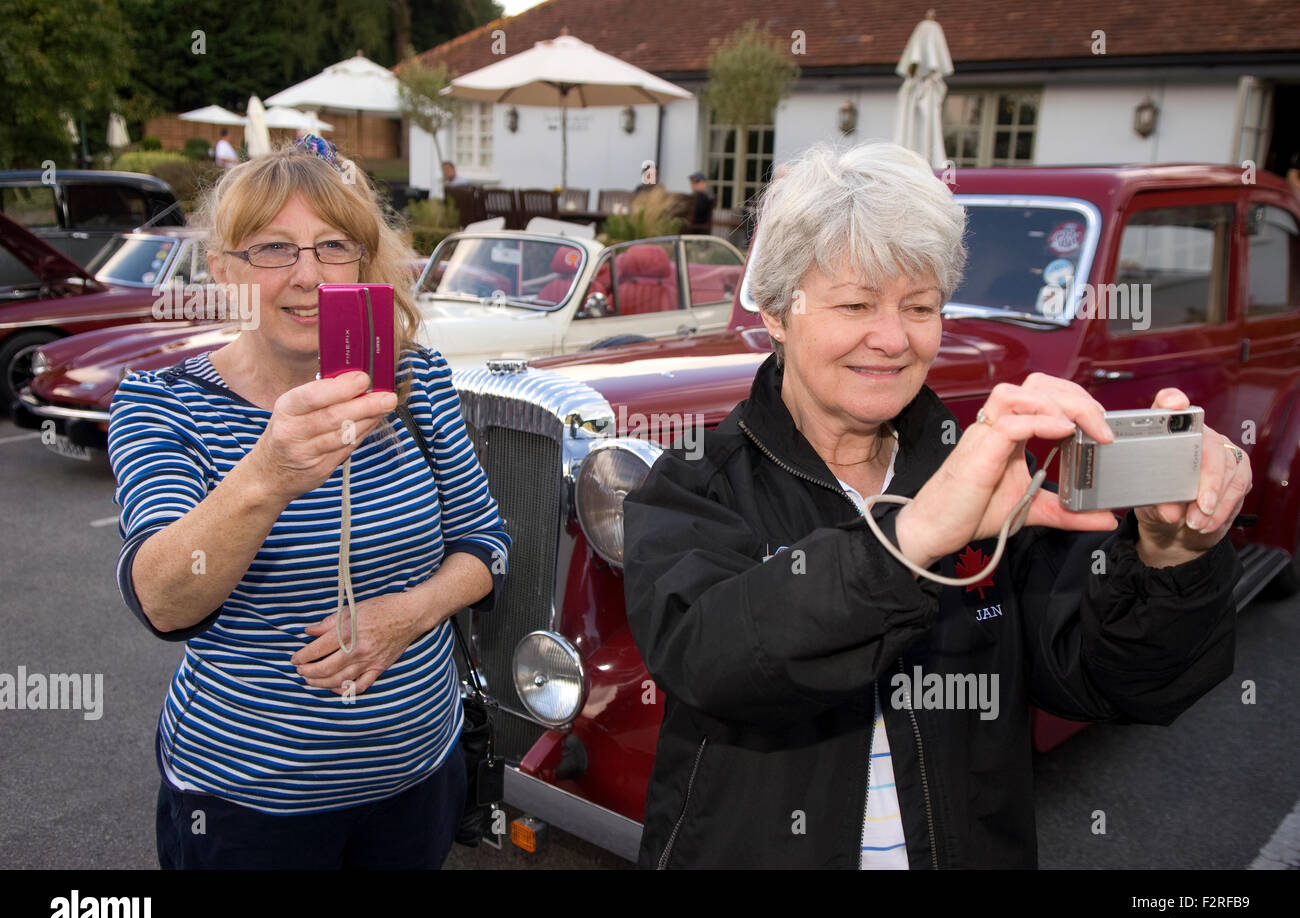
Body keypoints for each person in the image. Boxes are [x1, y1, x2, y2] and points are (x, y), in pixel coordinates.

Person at [622, 141, 1248, 869]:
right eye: (856, 303)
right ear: (776, 313)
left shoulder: (989, 470)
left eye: (920, 307)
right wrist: (913, 536)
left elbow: (1116, 680)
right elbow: (711, 659)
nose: (892, 339)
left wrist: (1175, 553)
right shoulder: (695, 481)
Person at [107, 136, 509, 869]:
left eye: (332, 245)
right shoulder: (164, 405)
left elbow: (486, 544)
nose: (307, 275)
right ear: (223, 270)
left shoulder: (413, 380)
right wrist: (266, 473)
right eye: (271, 249)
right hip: (249, 804)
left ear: (362, 260)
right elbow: (164, 599)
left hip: (416, 778)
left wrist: (407, 615)